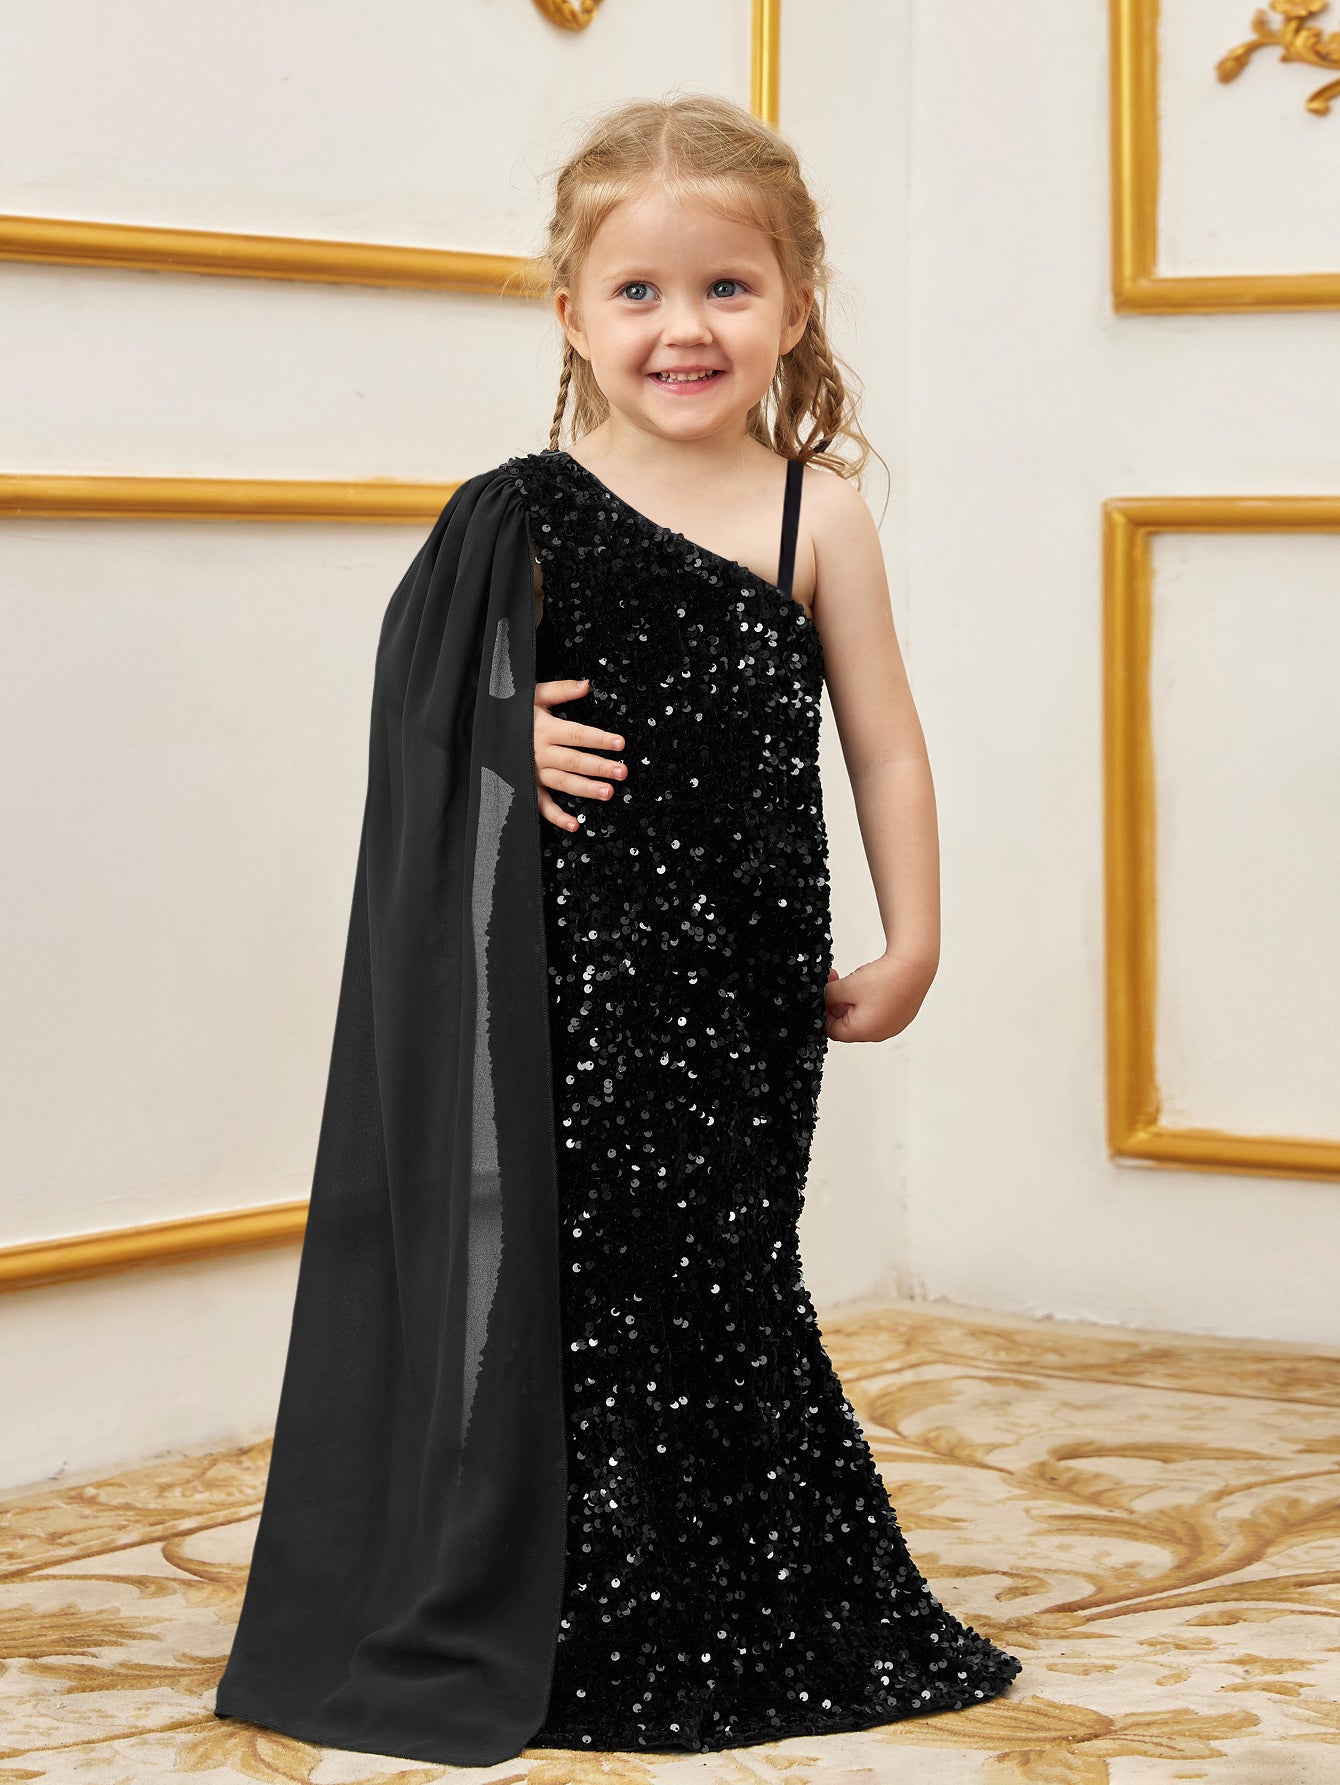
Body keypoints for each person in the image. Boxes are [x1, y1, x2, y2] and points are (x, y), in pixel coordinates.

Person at [213, 92, 1021, 1768]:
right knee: (587, 1272)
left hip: (746, 973)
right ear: (571, 310)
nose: (683, 328)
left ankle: (743, 1588)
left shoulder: (816, 514)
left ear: (795, 303)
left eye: (728, 287)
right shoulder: (516, 514)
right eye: (638, 291)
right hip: (567, 977)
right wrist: (499, 729)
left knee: (727, 1264)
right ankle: (565, 1591)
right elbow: (420, 725)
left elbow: (884, 742)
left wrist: (918, 934)